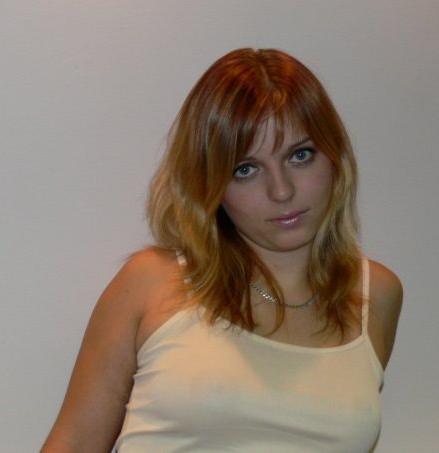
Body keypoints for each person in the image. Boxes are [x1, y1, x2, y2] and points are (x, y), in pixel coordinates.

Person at [42, 48, 402, 453]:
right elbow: (73, 444)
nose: (281, 191)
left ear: (335, 157)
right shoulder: (151, 282)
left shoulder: (377, 294)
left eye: (300, 156)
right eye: (245, 169)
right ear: (209, 183)